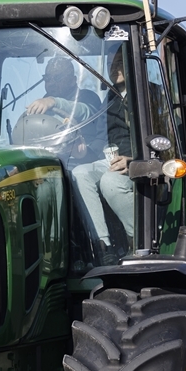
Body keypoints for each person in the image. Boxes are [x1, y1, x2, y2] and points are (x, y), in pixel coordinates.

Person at [68, 53, 134, 263]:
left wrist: (134, 158)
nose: (114, 68)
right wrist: (84, 151)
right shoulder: (110, 98)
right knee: (79, 173)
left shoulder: (149, 92)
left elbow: (163, 134)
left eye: (119, 62)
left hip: (139, 160)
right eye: (109, 64)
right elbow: (99, 137)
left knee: (110, 182)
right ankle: (103, 246)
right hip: (111, 159)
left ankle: (136, 240)